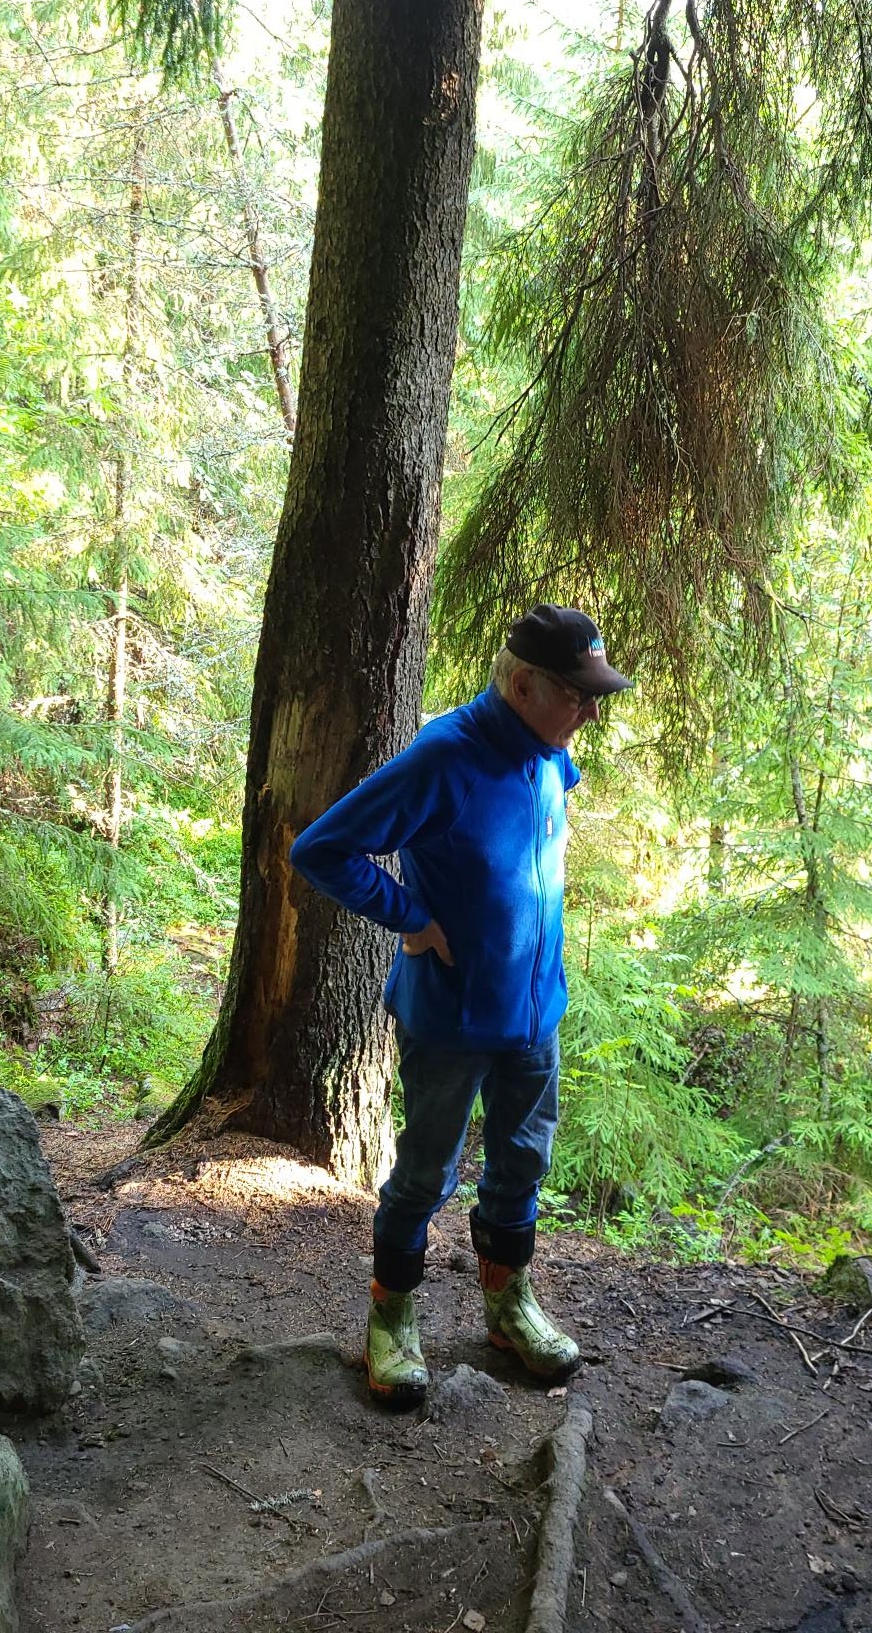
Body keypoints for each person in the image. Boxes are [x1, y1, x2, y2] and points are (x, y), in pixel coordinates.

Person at [290, 603, 631, 1408]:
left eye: (595, 697)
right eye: (578, 696)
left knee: (523, 1164)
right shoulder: (446, 755)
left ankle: (509, 1306)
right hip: (451, 1017)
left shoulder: (550, 753)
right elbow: (322, 849)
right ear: (523, 685)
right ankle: (391, 1317)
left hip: (534, 1013)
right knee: (425, 1174)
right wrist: (410, 918)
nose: (590, 714)